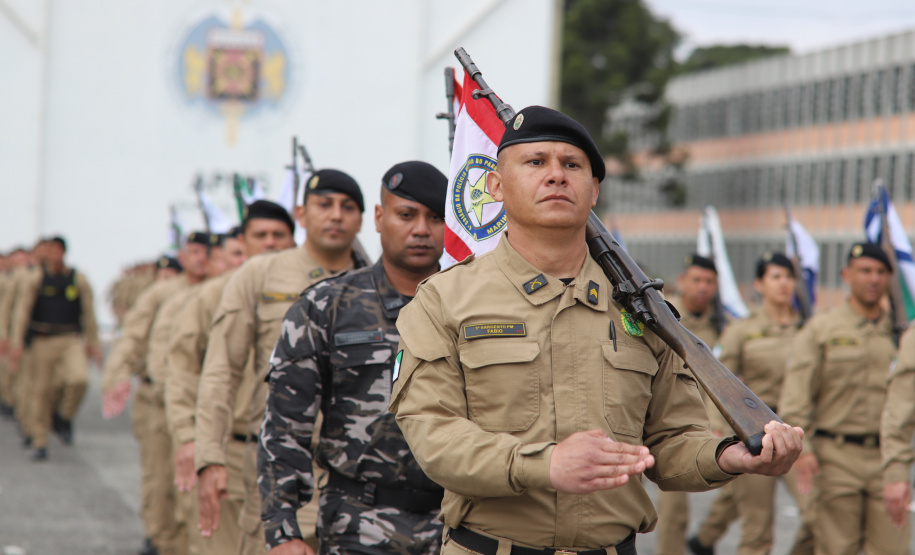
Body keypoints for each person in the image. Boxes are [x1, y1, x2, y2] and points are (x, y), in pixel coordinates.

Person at [390, 105, 803, 555]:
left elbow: (672, 440)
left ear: (594, 191)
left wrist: (726, 456)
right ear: (496, 186)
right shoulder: (442, 300)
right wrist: (544, 465)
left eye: (572, 165)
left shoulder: (644, 311)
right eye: (535, 162)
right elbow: (435, 435)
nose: (556, 176)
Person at [258, 161, 448, 555]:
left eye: (436, 217)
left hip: (455, 526)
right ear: (379, 217)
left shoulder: (470, 309)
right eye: (406, 215)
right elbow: (285, 424)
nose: (420, 230)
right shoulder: (325, 306)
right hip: (357, 523)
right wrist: (283, 530)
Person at [195, 170, 370, 555]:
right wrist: (208, 455)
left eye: (347, 207)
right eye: (324, 205)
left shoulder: (376, 281)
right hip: (279, 471)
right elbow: (222, 369)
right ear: (301, 214)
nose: (336, 216)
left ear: (363, 218)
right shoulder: (260, 273)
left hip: (358, 481)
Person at [165, 204, 296, 555]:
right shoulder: (213, 294)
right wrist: (189, 436)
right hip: (232, 444)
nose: (270, 244)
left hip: (290, 456)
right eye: (260, 236)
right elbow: (185, 369)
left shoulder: (312, 291)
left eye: (278, 236)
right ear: (242, 241)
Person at [781, 243, 908, 554]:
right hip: (835, 457)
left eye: (881, 272)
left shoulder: (901, 333)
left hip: (887, 458)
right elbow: (796, 396)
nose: (874, 279)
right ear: (846, 275)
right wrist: (804, 450)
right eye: (865, 271)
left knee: (893, 548)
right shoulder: (821, 329)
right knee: (838, 548)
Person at [696, 253, 814, 555]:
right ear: (759, 284)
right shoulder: (742, 330)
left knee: (818, 518)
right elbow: (717, 383)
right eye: (776, 277)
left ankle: (705, 538)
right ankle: (705, 538)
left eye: (789, 276)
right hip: (756, 436)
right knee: (757, 532)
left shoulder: (808, 331)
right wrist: (717, 431)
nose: (784, 283)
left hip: (799, 436)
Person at [101, 233, 209, 555]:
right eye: (194, 251)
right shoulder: (161, 293)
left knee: (194, 493)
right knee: (161, 482)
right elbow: (131, 337)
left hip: (201, 405)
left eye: (207, 251)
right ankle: (160, 541)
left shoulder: (222, 290)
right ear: (183, 255)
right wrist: (117, 377)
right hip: (156, 401)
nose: (201, 257)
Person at [659, 254, 737, 555]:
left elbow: (726, 380)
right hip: (666, 425)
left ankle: (704, 540)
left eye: (709, 281)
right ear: (682, 282)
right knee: (673, 511)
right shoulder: (663, 316)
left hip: (707, 423)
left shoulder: (723, 327)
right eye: (696, 280)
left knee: (744, 487)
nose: (702, 287)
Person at [7, 236, 101, 460]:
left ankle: (63, 416)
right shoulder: (36, 279)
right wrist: (16, 343)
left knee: (79, 379)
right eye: (50, 250)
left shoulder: (77, 279)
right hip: (42, 339)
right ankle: (40, 440)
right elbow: (22, 312)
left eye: (58, 250)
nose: (54, 254)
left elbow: (88, 312)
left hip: (70, 338)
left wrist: (93, 343)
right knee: (40, 391)